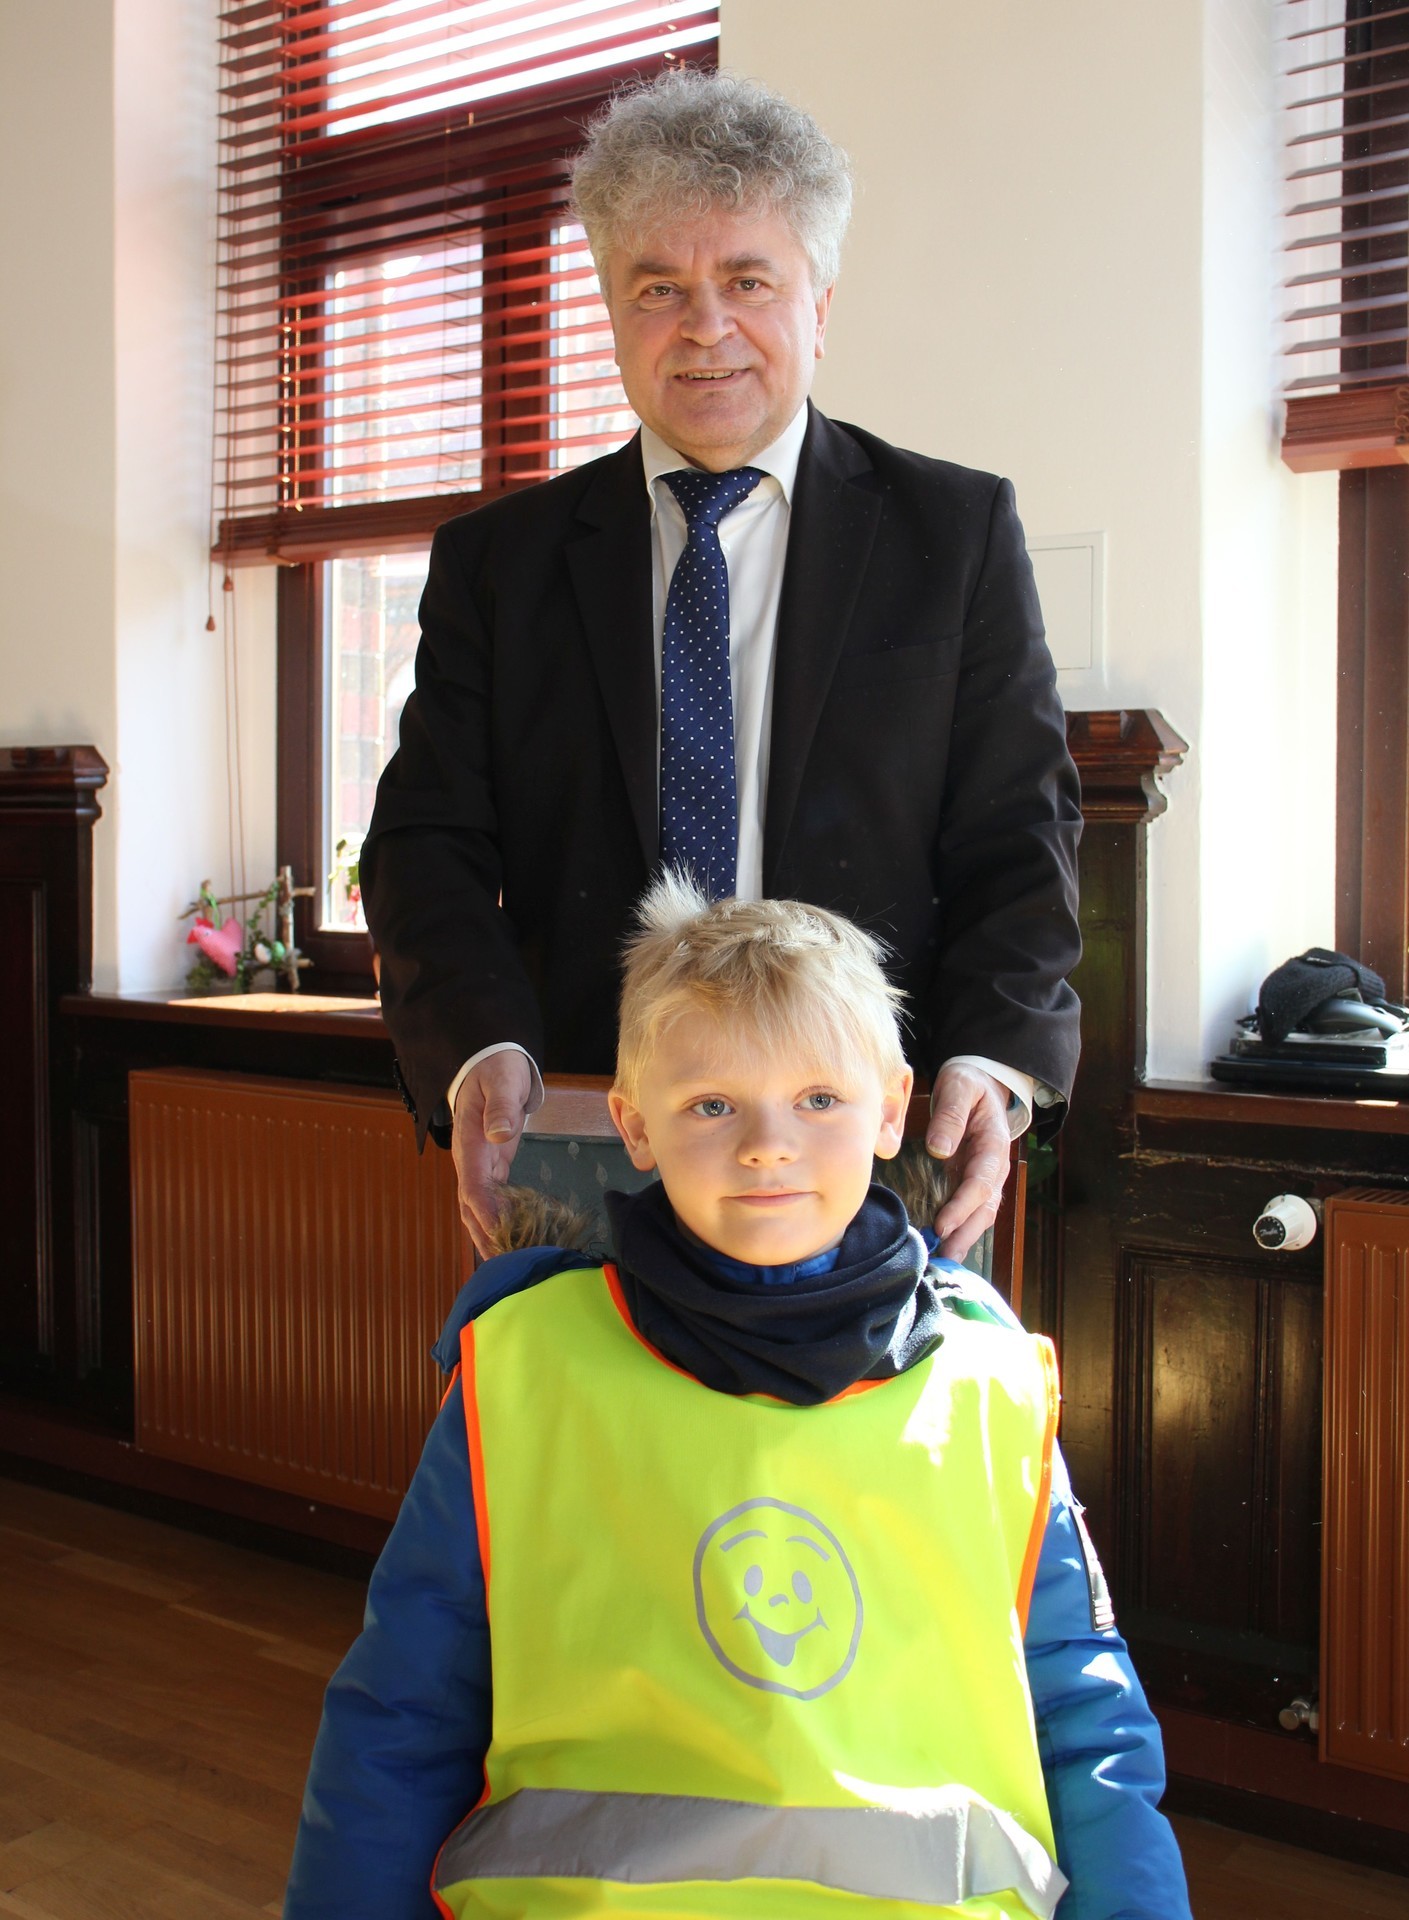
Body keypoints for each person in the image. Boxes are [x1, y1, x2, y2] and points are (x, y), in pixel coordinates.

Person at [285, 877, 1189, 1920]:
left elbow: (1083, 1718)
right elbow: (401, 1712)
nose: (767, 1144)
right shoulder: (523, 1368)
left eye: (818, 1099)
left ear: (891, 1109)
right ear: (633, 1126)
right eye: (711, 1105)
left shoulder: (990, 1384)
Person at [361, 69, 1082, 1268]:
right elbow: (425, 844)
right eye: (658, 289)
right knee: (581, 1403)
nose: (703, 328)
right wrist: (479, 1051)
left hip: (867, 1144)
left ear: (818, 305)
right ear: (609, 308)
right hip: (587, 1130)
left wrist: (987, 1062)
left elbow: (1021, 833)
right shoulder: (498, 563)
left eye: (747, 281)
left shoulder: (952, 534)